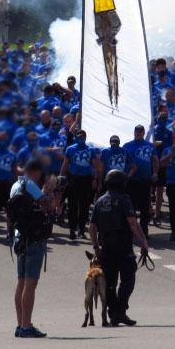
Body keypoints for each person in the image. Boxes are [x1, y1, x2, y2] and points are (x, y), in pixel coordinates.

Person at [88, 168, 149, 327]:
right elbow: (132, 223)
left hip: (106, 248)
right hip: (123, 247)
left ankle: (114, 312)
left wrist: (96, 248)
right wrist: (143, 241)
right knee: (128, 280)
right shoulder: (124, 199)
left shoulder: (99, 201)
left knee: (109, 283)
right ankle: (120, 311)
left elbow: (92, 227)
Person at [7, 158, 54, 338]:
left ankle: (20, 324)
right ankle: (27, 326)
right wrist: (48, 192)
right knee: (30, 283)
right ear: (34, 172)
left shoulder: (15, 186)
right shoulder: (30, 185)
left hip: (20, 237)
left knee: (21, 282)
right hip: (34, 237)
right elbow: (47, 206)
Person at [62, 130, 99, 240]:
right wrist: (61, 177)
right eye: (79, 136)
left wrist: (95, 179)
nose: (81, 138)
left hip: (86, 180)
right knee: (72, 206)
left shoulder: (90, 149)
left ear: (86, 137)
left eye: (83, 136)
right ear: (76, 137)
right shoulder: (70, 149)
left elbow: (95, 165)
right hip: (73, 179)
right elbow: (65, 164)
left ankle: (81, 230)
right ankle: (72, 229)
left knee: (84, 206)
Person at [123, 125, 155, 236]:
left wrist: (155, 173)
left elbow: (155, 160)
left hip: (145, 180)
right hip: (131, 181)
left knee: (144, 208)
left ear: (143, 133)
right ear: (134, 132)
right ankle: (131, 230)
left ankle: (144, 231)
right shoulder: (127, 146)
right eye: (136, 131)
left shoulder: (150, 146)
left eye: (140, 132)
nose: (138, 133)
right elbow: (124, 161)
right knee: (130, 208)